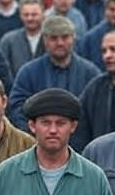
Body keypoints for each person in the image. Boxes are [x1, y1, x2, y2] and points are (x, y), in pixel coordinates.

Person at [8, 15, 99, 151]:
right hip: (37, 147)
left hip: (81, 149)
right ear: (45, 40)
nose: (60, 43)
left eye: (65, 37)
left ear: (73, 38)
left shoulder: (90, 72)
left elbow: (97, 112)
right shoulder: (28, 72)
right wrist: (33, 134)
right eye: (54, 38)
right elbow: (17, 107)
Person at [0, 0, 46, 76]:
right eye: (26, 15)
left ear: (43, 14)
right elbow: (2, 70)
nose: (30, 18)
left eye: (34, 15)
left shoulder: (52, 39)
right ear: (20, 16)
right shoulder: (8, 40)